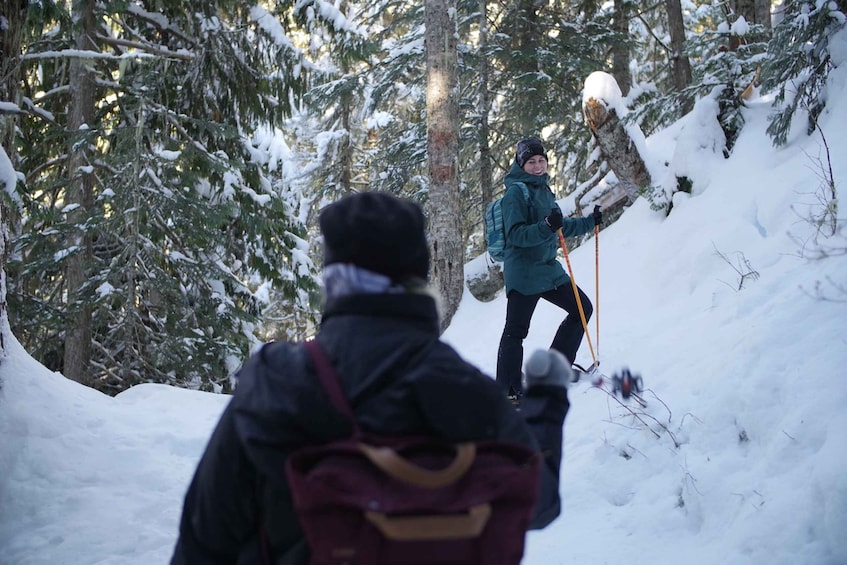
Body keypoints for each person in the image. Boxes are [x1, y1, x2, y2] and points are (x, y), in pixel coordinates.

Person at [171, 191, 572, 564]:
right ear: (417, 274)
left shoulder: (275, 382)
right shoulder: (461, 386)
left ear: (332, 280)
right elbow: (540, 500)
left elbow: (202, 540)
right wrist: (547, 401)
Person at [496, 136, 602, 404]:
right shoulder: (515, 193)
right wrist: (545, 225)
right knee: (516, 331)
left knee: (582, 308)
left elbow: (560, 226)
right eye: (531, 161)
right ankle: (508, 391)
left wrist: (591, 221)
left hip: (547, 270)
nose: (537, 165)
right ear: (521, 164)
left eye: (541, 160)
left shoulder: (544, 190)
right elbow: (517, 235)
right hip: (524, 273)